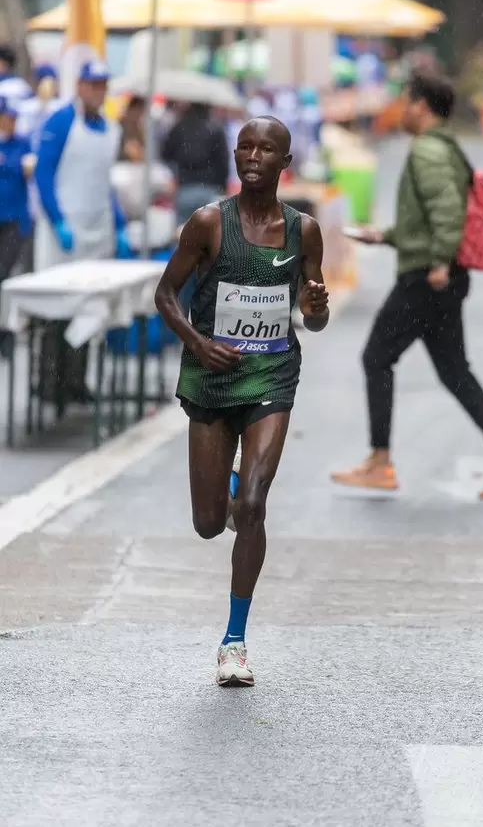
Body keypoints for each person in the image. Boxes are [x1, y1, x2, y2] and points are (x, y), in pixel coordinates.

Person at [155, 116, 329, 686]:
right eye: (245, 147)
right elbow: (165, 294)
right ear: (235, 156)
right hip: (212, 375)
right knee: (209, 524)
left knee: (253, 506)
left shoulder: (303, 232)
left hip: (272, 375)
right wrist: (198, 343)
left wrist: (317, 307)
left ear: (285, 163)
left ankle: (234, 642)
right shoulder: (209, 222)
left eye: (266, 149)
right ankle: (228, 488)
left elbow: (314, 317)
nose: (253, 156)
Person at [332, 72, 483, 501]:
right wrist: (384, 236)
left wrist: (441, 260)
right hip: (441, 275)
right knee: (454, 371)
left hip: (428, 277)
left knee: (377, 357)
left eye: (406, 102)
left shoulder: (427, 150)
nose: (401, 110)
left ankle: (380, 462)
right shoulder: (445, 147)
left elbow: (446, 210)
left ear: (421, 106)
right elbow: (428, 220)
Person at [33, 60, 128, 403]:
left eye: (103, 85)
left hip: (97, 231)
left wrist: (119, 224)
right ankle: (49, 382)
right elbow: (43, 173)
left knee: (90, 309)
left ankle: (76, 382)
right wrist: (57, 219)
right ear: (80, 87)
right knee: (57, 310)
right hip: (64, 231)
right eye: (92, 84)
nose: (98, 91)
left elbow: (105, 183)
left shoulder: (111, 129)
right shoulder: (60, 122)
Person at [0, 97, 35, 356]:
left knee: (5, 273)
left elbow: (27, 170)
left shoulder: (22, 143)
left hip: (13, 220)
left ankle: (5, 331)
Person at [161, 101, 229, 225]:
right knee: (209, 232)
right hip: (210, 189)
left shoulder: (180, 127)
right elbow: (223, 162)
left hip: (185, 188)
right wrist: (223, 187)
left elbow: (166, 154)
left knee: (183, 231)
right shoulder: (216, 128)